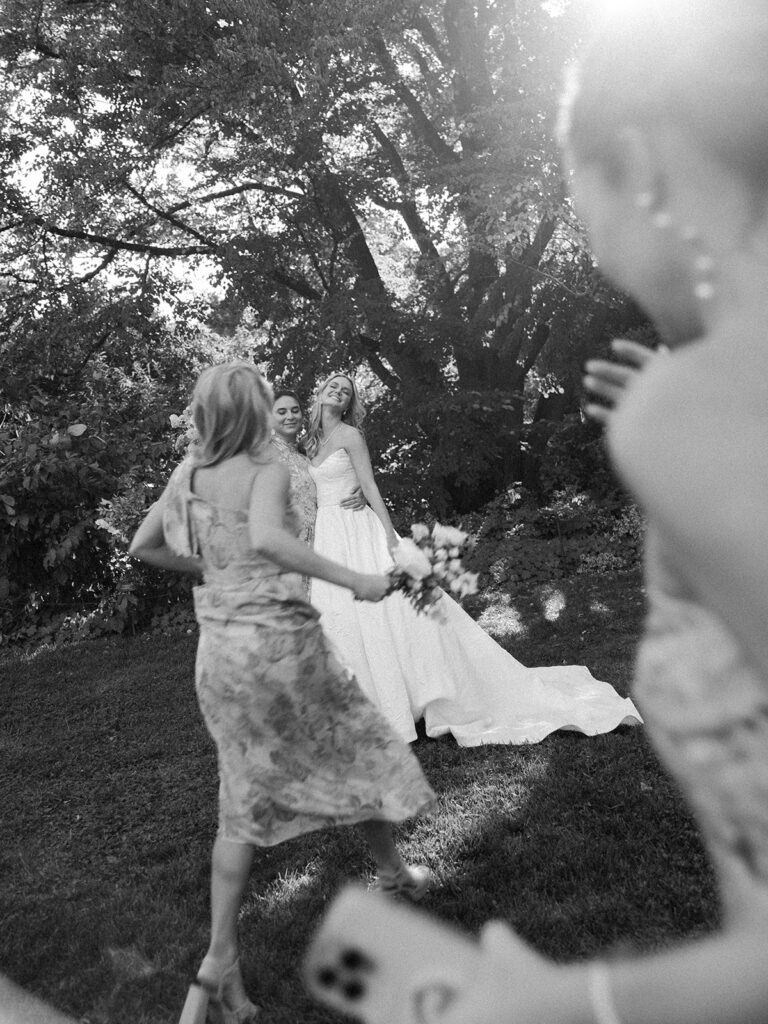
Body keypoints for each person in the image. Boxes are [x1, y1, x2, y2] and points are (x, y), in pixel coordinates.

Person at [423, 1, 768, 1021]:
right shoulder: (707, 399)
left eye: (581, 204)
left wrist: (564, 1004)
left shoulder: (688, 413)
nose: (592, 239)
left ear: (639, 165)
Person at [129, 362, 434, 1024]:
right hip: (277, 646)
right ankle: (391, 869)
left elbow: (143, 545)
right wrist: (355, 581)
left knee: (237, 800)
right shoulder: (264, 463)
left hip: (219, 656)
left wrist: (213, 566)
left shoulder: (192, 470)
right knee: (356, 739)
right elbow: (269, 536)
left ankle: (220, 965)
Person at [305, 372, 641, 746]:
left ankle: (411, 699)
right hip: (329, 536)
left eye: (345, 391)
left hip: (357, 530)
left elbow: (368, 485)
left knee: (388, 615)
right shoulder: (309, 440)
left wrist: (387, 535)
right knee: (341, 618)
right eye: (333, 386)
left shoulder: (350, 436)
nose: (337, 392)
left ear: (350, 403)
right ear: (319, 392)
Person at [269, 388, 365, 593]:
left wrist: (360, 491)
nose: (290, 416)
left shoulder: (307, 454)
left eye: (295, 410)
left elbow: (334, 479)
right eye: (281, 411)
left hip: (318, 547)